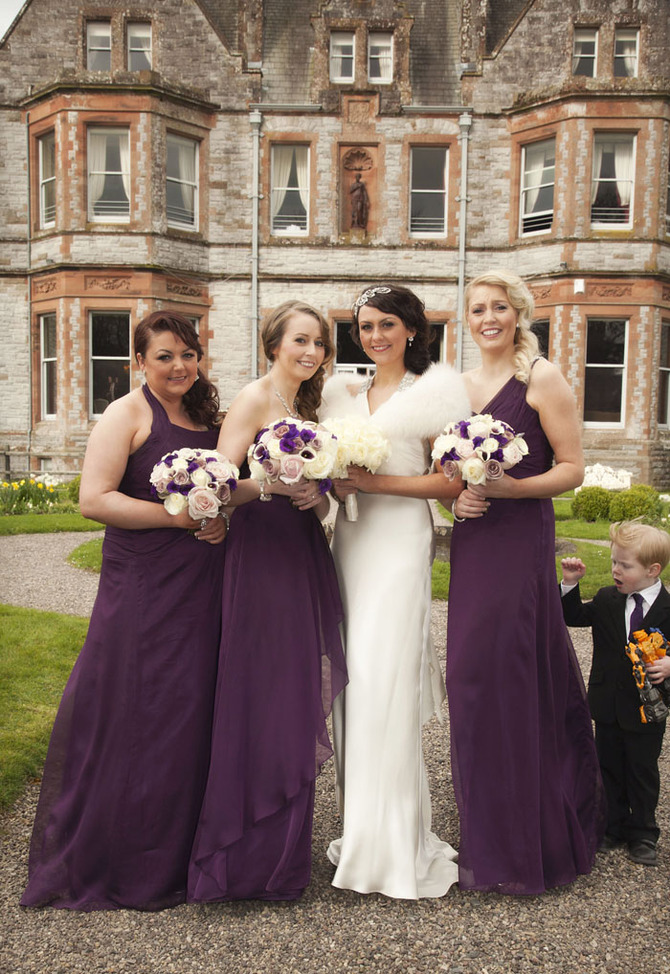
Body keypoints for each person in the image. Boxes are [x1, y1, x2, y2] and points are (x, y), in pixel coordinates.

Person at [21, 311, 227, 911]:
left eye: (188, 354)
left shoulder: (206, 416)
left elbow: (216, 488)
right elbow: (93, 499)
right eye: (164, 356)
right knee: (138, 706)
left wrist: (219, 516)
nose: (179, 366)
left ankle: (181, 849)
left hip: (200, 581)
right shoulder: (126, 414)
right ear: (140, 362)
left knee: (188, 709)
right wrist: (178, 517)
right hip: (141, 583)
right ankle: (125, 855)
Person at [446, 269, 606, 894]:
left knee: (510, 669)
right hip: (474, 537)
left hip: (519, 539)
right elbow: (451, 473)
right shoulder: (458, 386)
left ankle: (527, 837)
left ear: (518, 313)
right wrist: (456, 503)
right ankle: (485, 827)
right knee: (469, 675)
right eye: (478, 308)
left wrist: (512, 488)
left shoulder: (540, 377)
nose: (489, 318)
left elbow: (572, 469)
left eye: (499, 307)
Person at [188, 300, 347, 902]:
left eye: (320, 344)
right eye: (300, 340)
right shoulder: (255, 399)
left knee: (295, 688)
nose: (311, 352)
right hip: (259, 559)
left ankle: (283, 859)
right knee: (263, 689)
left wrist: (315, 494)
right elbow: (220, 483)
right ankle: (241, 855)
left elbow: (323, 499)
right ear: (273, 343)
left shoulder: (307, 406)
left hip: (301, 549)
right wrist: (274, 483)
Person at [320, 283, 470, 898]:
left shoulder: (439, 391)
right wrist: (336, 485)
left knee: (386, 679)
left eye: (386, 324)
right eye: (364, 326)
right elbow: (332, 472)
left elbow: (449, 486)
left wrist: (373, 482)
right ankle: (360, 831)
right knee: (354, 682)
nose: (375, 336)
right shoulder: (342, 392)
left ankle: (394, 843)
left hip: (402, 546)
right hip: (350, 545)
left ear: (412, 328)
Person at [561, 521, 670, 867]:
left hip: (646, 708)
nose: (615, 571)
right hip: (608, 704)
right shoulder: (609, 598)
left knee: (641, 769)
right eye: (614, 563)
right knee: (608, 766)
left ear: (653, 570)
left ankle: (643, 832)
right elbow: (574, 616)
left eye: (625, 565)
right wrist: (570, 584)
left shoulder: (668, 607)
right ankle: (613, 825)